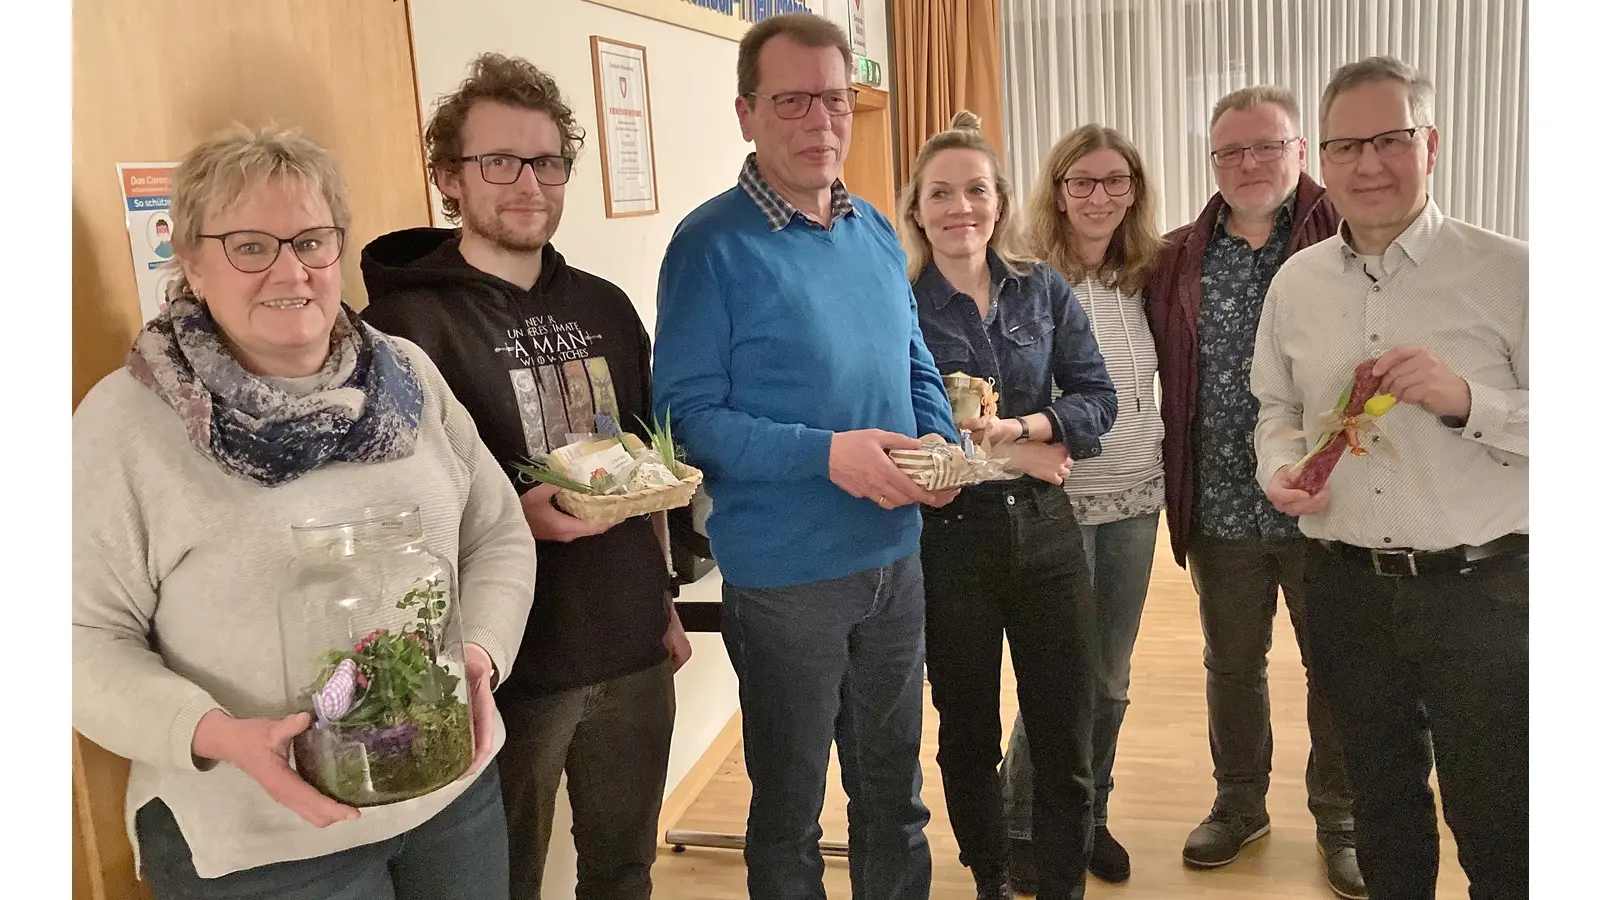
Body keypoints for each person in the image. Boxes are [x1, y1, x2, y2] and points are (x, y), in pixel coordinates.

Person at [71, 124, 538, 900]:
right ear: (189, 260)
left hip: (447, 796)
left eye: (312, 241)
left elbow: (495, 534)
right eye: (250, 246)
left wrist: (479, 655)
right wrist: (220, 736)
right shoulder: (127, 423)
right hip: (258, 839)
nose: (291, 270)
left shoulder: (406, 377)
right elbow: (73, 641)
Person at [360, 53, 690, 900]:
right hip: (503, 664)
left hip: (627, 646)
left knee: (624, 871)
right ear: (449, 177)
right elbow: (387, 506)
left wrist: (663, 603)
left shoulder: (607, 305)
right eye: (497, 162)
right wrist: (516, 515)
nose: (528, 183)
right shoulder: (402, 325)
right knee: (503, 881)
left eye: (547, 161)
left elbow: (642, 463)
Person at [651, 13, 960, 900]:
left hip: (895, 562)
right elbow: (684, 418)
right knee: (789, 815)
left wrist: (936, 438)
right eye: (792, 102)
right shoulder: (709, 247)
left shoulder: (870, 229)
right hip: (786, 582)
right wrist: (828, 456)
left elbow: (911, 357)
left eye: (835, 100)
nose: (820, 122)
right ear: (746, 113)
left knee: (894, 797)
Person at [1253, 56, 1528, 900]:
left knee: (1501, 815)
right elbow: (1275, 407)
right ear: (1320, 162)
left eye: (1390, 140)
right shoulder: (1296, 283)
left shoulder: (1513, 271)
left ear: (1431, 145)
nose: (1367, 165)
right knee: (1380, 805)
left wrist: (1465, 399)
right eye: (1345, 147)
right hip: (1345, 587)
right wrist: (1279, 470)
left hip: (1482, 591)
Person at [1144, 86, 1365, 898]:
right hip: (1222, 506)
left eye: (1266, 147)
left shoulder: (1346, 235)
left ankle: (1339, 815)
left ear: (1300, 151)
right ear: (1212, 162)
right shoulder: (1175, 258)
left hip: (1328, 502)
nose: (1248, 165)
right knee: (1232, 663)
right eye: (1230, 152)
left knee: (1332, 664)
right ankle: (1240, 803)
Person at [899, 111, 1115, 900]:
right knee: (968, 733)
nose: (962, 207)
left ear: (1000, 202)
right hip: (947, 541)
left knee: (1066, 733)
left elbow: (1098, 400)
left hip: (1048, 541)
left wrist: (1027, 425)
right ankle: (990, 878)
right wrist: (1022, 454)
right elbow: (900, 432)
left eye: (978, 190)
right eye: (942, 193)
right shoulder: (900, 302)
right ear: (917, 208)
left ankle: (1062, 886)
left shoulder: (1042, 289)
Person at [998, 123, 1166, 891]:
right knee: (1054, 676)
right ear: (1058, 192)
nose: (1100, 196)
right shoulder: (1025, 278)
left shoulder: (1148, 276)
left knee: (1109, 676)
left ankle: (1089, 813)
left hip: (1136, 500)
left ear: (1133, 191)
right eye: (1082, 181)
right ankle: (1023, 823)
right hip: (1056, 502)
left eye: (1115, 181)